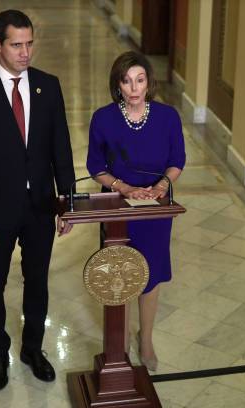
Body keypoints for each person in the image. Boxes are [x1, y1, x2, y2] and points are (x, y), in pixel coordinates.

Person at [0, 10, 75, 391]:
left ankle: (33, 350)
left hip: (40, 206)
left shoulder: (48, 86)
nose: (25, 52)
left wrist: (66, 202)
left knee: (37, 281)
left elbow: (61, 149)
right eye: (16, 45)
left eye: (29, 44)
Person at [86, 51, 186, 371]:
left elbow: (177, 160)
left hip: (154, 210)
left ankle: (146, 339)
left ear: (148, 83)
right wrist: (123, 188)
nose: (134, 88)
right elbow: (95, 166)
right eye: (127, 81)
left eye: (140, 80)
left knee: (151, 274)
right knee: (119, 274)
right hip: (118, 208)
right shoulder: (103, 118)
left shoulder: (168, 117)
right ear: (118, 84)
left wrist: (161, 186)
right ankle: (120, 338)